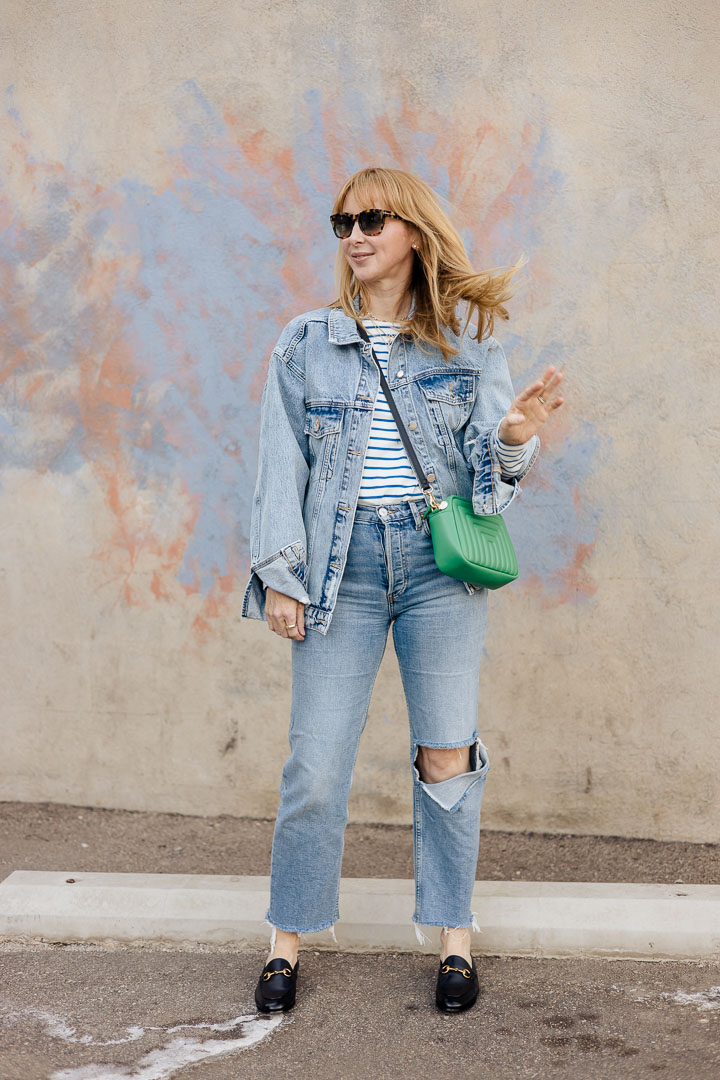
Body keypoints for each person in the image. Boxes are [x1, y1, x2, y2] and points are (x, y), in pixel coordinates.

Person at [242, 166, 564, 1014]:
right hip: (337, 572)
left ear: (413, 232)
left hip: (437, 570)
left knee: (446, 754)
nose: (354, 234)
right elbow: (282, 464)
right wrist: (281, 575)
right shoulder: (306, 340)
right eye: (342, 221)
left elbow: (492, 485)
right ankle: (286, 941)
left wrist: (516, 436)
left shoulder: (466, 339)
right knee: (315, 764)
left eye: (373, 219)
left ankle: (455, 941)